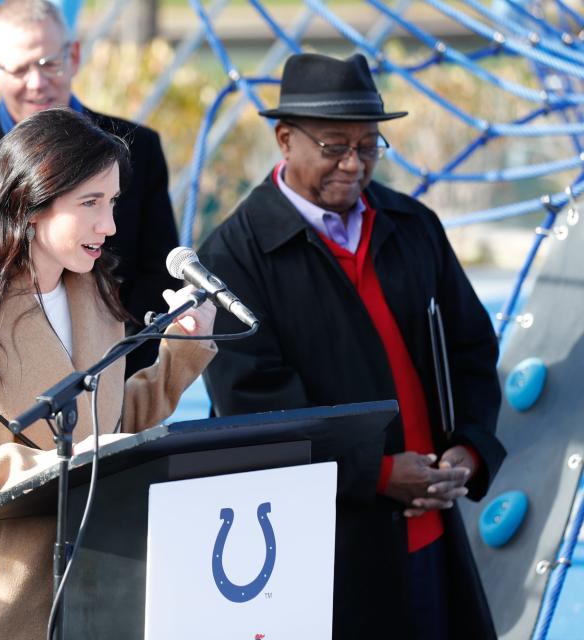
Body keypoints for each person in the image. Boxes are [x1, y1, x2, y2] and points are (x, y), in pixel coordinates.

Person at [198, 53, 505, 640]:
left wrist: (468, 451)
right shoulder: (231, 256)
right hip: (323, 551)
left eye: (369, 146)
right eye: (335, 145)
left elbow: (471, 349)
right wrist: (379, 473)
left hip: (430, 531)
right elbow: (253, 406)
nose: (354, 164)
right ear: (285, 139)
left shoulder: (413, 224)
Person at [0, 107, 216, 640]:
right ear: (32, 203)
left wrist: (180, 354)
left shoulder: (98, 296)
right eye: (89, 203)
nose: (109, 225)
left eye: (111, 203)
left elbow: (104, 424)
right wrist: (48, 468)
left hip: (93, 594)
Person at [0, 0, 179, 376]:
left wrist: (109, 367)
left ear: (73, 56)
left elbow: (157, 273)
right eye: (20, 68)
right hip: (0, 377)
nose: (37, 83)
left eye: (48, 63)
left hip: (119, 373)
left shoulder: (138, 148)